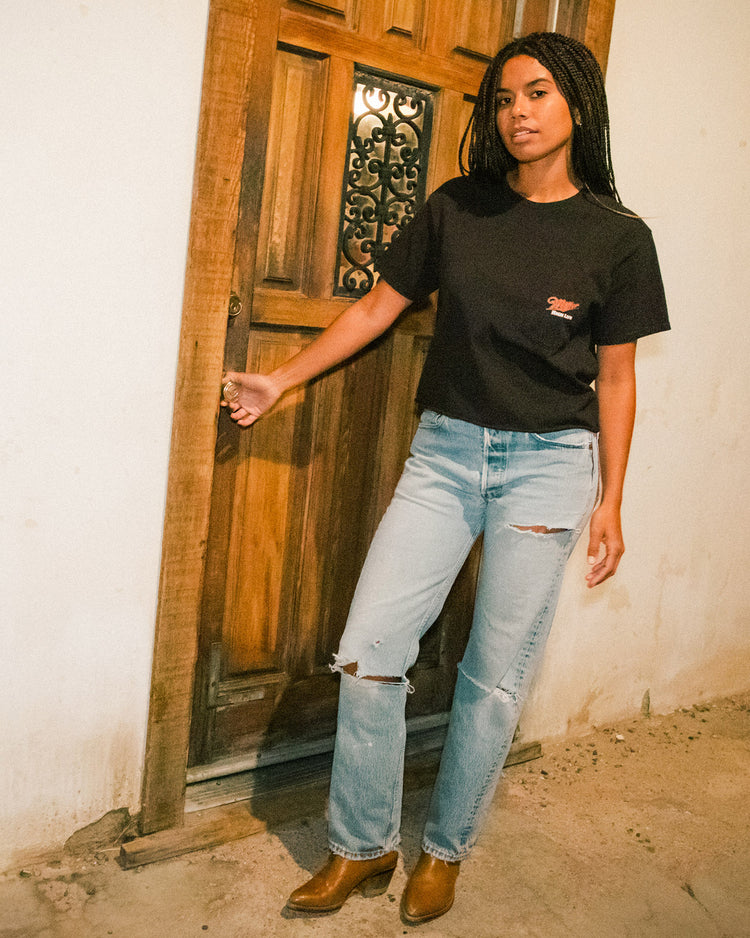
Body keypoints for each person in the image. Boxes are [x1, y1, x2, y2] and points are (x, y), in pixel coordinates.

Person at [222, 31, 670, 925]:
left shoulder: (618, 238)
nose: (517, 114)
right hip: (445, 456)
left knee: (491, 678)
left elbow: (617, 379)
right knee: (369, 651)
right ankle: (363, 846)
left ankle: (445, 849)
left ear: (578, 102)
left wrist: (611, 500)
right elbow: (377, 308)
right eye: (504, 99)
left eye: (537, 93)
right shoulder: (457, 207)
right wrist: (281, 379)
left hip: (548, 469)